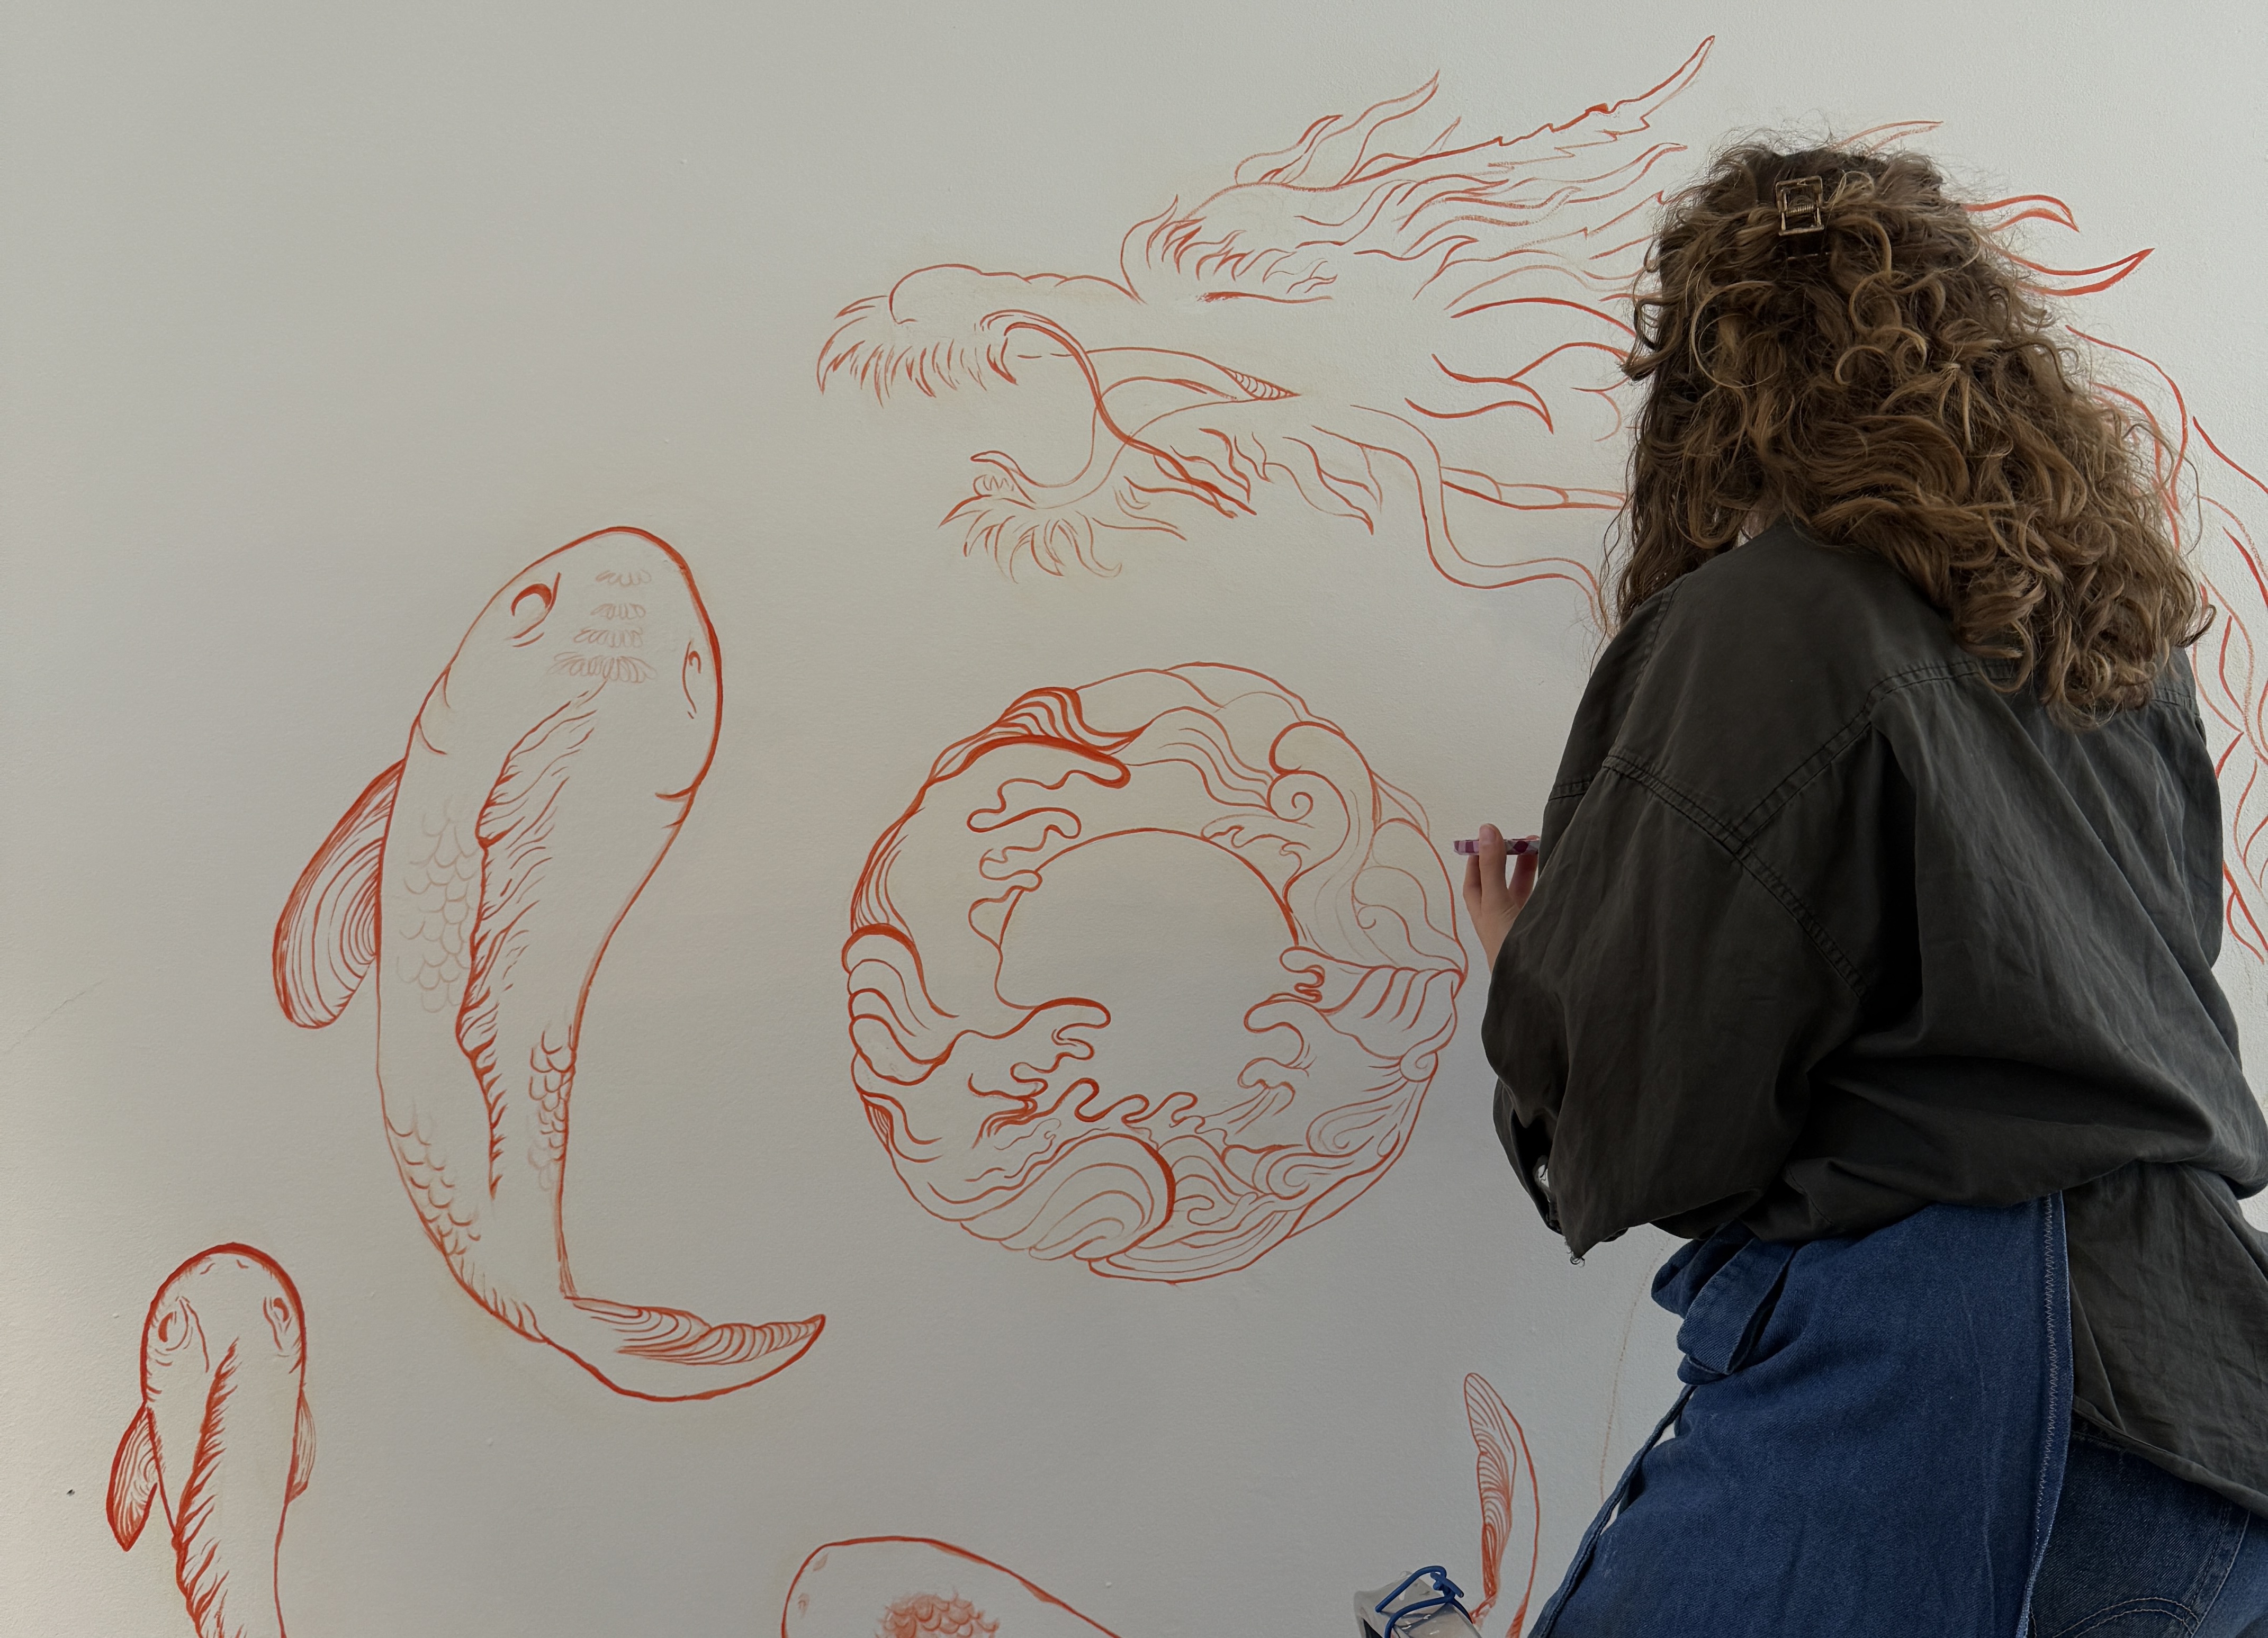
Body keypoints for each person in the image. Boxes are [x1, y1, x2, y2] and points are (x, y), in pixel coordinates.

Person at [1462, 143, 2268, 1636]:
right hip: (2213, 1417)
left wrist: (1533, 979)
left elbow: (1656, 1133)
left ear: (1720, 382)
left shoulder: (1764, 623)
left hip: (1974, 1414)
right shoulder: (2111, 646)